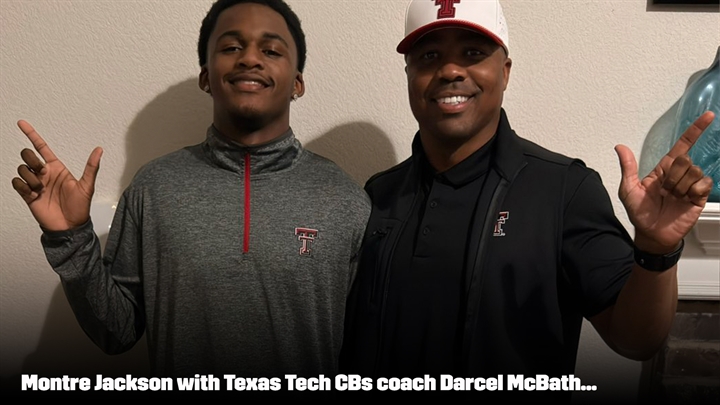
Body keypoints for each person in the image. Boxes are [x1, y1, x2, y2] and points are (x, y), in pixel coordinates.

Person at [340, 0, 714, 397]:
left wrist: (656, 249)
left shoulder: (564, 188)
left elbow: (636, 340)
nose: (450, 71)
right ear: (409, 75)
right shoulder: (378, 194)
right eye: (429, 56)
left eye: (473, 53)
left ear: (504, 72)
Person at [12, 0, 370, 379]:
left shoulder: (344, 200)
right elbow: (116, 332)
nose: (250, 58)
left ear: (297, 82)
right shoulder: (153, 189)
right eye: (231, 47)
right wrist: (71, 237)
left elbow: (365, 350)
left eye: (271, 50)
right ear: (205, 76)